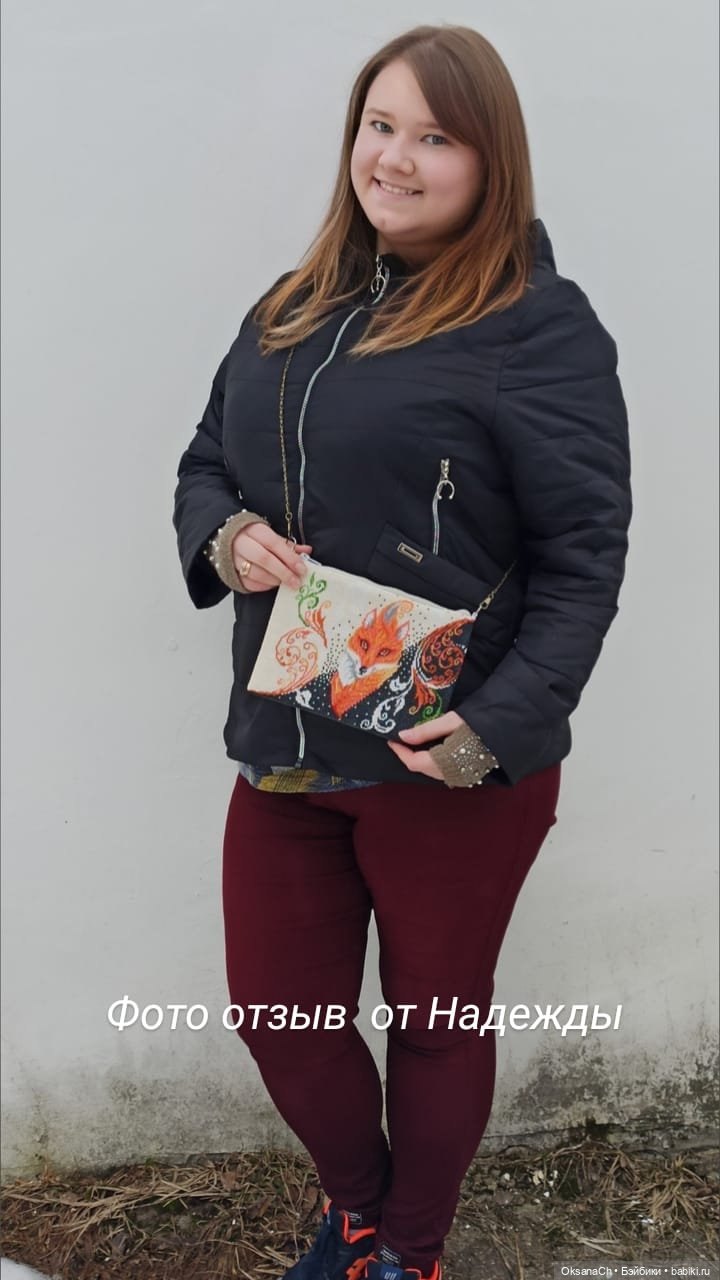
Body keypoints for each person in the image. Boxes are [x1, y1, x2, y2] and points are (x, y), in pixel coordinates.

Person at [172, 22, 632, 1280]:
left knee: (435, 1021)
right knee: (280, 1013)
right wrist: (225, 537)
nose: (397, 157)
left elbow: (585, 558)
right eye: (381, 125)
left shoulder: (539, 326)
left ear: (490, 161)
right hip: (291, 737)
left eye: (436, 136)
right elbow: (205, 459)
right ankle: (366, 1209)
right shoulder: (290, 305)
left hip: (446, 755)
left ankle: (406, 1252)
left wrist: (498, 727)